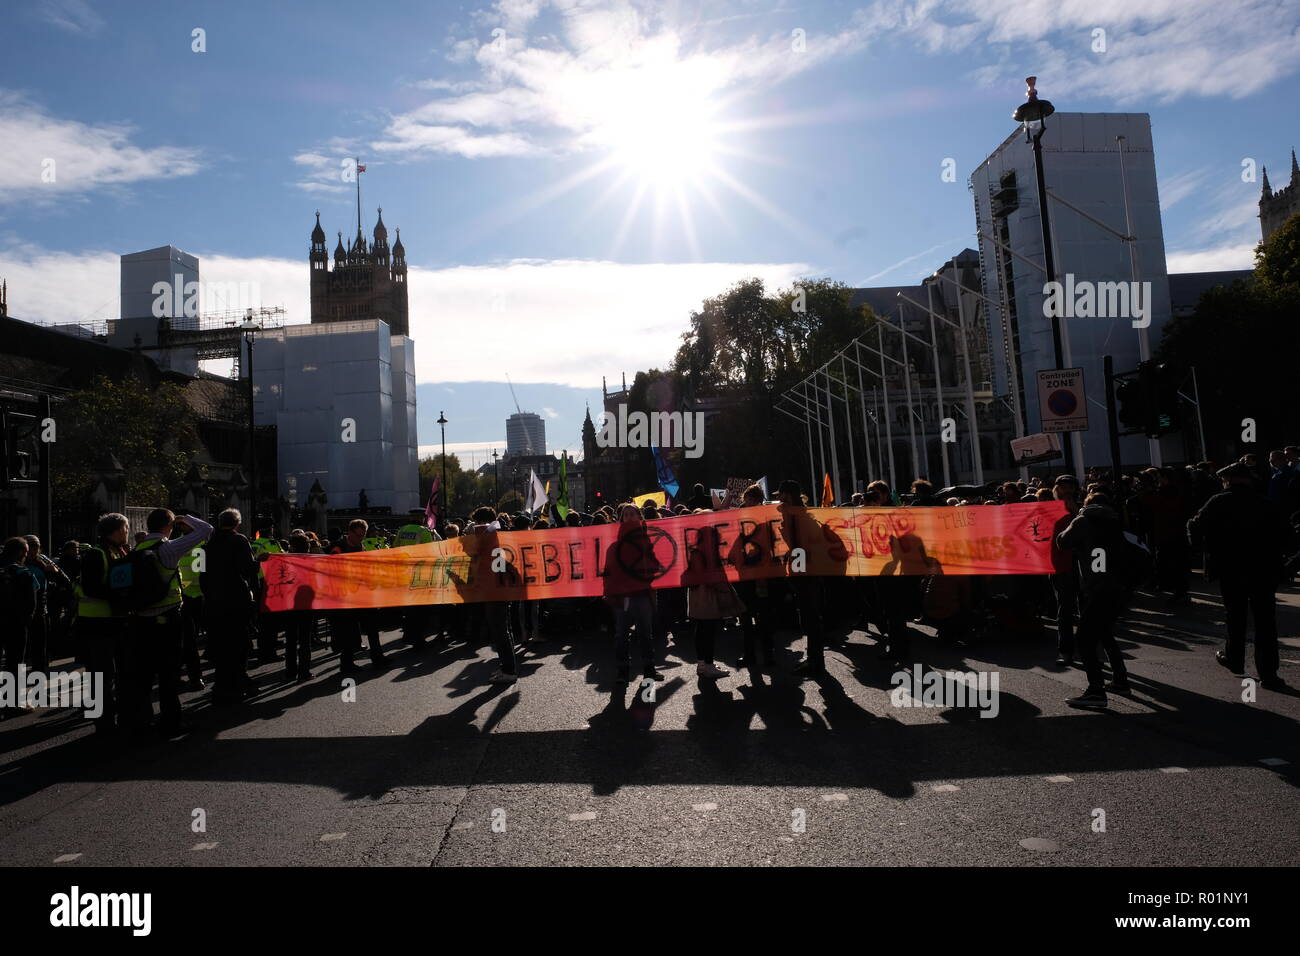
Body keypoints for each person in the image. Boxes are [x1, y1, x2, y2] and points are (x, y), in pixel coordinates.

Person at [1188, 462, 1296, 689]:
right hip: (1264, 569)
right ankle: (1268, 673)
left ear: (1227, 480)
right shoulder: (1265, 504)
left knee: (1235, 616)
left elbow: (1195, 530)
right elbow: (1286, 536)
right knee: (1265, 621)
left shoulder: (1217, 502)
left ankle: (1234, 658)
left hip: (1231, 568)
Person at [126, 509, 212, 734]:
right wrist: (185, 518)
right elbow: (206, 529)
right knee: (168, 673)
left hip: (141, 619)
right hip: (168, 617)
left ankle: (142, 720)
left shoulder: (138, 548)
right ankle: (171, 721)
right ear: (168, 526)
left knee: (144, 674)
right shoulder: (169, 548)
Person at [1057, 491, 1130, 709]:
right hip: (1118, 586)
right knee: (1105, 633)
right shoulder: (1115, 521)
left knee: (1085, 639)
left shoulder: (1083, 520)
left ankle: (1096, 691)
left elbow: (1062, 542)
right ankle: (1120, 680)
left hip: (1097, 588)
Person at [72, 515, 131, 732]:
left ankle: (115, 716)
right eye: (125, 527)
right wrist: (121, 596)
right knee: (101, 677)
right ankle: (103, 723)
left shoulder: (118, 551)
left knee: (116, 674)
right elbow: (91, 588)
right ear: (115, 530)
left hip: (115, 623)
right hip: (97, 625)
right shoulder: (96, 554)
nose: (128, 531)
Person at [202, 508, 262, 703]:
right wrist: (259, 561)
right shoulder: (239, 540)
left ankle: (222, 684)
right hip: (236, 599)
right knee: (240, 643)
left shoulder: (206, 546)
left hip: (213, 601)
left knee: (221, 644)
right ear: (237, 523)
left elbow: (201, 574)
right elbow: (247, 568)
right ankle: (237, 682)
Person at [604, 502, 663, 683]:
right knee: (621, 634)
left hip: (641, 593)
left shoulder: (647, 543)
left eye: (632, 514)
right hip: (623, 596)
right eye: (626, 514)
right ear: (621, 519)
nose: (629, 517)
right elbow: (608, 572)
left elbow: (655, 565)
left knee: (645, 632)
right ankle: (623, 670)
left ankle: (649, 669)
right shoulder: (614, 547)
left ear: (640, 518)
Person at [464, 506, 519, 684]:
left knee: (499, 630)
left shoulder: (483, 531)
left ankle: (509, 671)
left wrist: (469, 534)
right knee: (504, 629)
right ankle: (507, 667)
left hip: (492, 587)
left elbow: (471, 551)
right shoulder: (499, 532)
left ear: (480, 520)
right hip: (501, 586)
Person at [329, 519, 388, 671]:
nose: (360, 538)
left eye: (363, 535)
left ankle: (378, 658)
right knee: (350, 630)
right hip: (346, 596)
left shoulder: (362, 546)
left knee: (372, 628)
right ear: (349, 532)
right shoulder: (338, 548)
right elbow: (330, 569)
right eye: (358, 535)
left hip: (363, 594)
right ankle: (346, 664)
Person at [0, 537, 37, 720]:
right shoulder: (22, 572)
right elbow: (31, 603)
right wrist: (27, 619)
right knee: (14, 663)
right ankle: (11, 703)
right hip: (15, 623)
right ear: (22, 552)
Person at [1050, 475, 1081, 666]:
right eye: (1062, 487)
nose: (1065, 491)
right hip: (1060, 566)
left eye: (1068, 487)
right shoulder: (1049, 510)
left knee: (1079, 610)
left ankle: (1086, 651)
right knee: (1065, 610)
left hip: (1078, 565)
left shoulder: (1082, 510)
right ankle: (1067, 651)